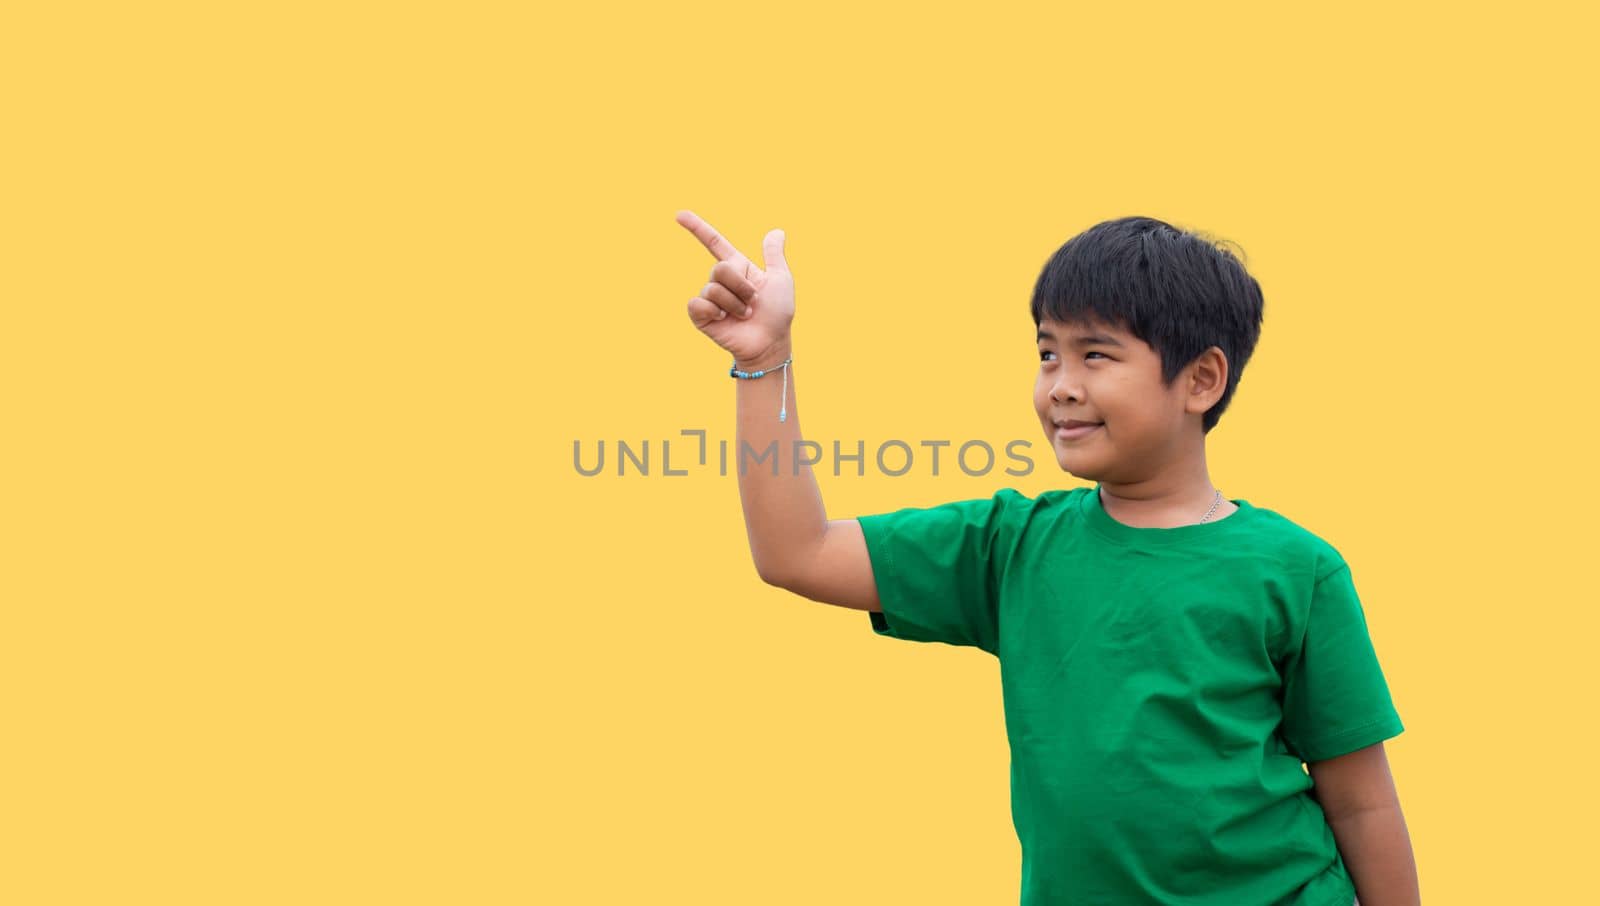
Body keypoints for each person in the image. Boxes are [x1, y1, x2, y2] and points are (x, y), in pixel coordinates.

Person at [674, 210, 1419, 906]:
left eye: (1096, 355)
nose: (1060, 387)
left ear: (1201, 380)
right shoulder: (1012, 546)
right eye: (1046, 353)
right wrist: (765, 361)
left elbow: (1361, 798)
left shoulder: (1296, 569)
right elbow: (797, 553)